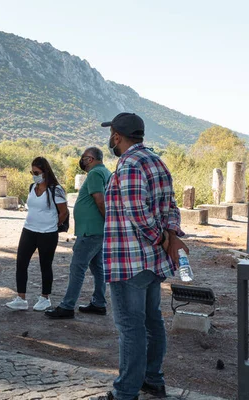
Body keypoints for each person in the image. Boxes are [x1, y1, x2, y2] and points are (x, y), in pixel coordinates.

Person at [91, 113, 187, 400]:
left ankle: (126, 392)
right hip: (153, 260)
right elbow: (172, 207)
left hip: (129, 260)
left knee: (131, 328)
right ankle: (153, 380)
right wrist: (168, 235)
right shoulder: (157, 162)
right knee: (152, 322)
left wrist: (161, 237)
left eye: (112, 135)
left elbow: (137, 214)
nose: (110, 139)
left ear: (117, 136)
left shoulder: (130, 164)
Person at [45, 147, 111, 319]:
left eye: (83, 157)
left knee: (77, 268)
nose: (81, 160)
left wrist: (109, 222)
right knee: (98, 268)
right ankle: (99, 303)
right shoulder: (106, 172)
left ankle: (67, 307)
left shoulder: (95, 174)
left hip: (90, 231)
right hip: (97, 230)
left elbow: (100, 200)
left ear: (90, 159)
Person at [5, 157, 68, 311]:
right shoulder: (32, 187)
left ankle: (45, 298)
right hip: (29, 230)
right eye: (32, 172)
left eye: (37, 172)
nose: (34, 175)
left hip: (47, 233)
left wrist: (54, 224)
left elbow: (63, 212)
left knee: (45, 265)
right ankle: (21, 298)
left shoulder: (56, 190)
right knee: (21, 263)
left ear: (45, 172)